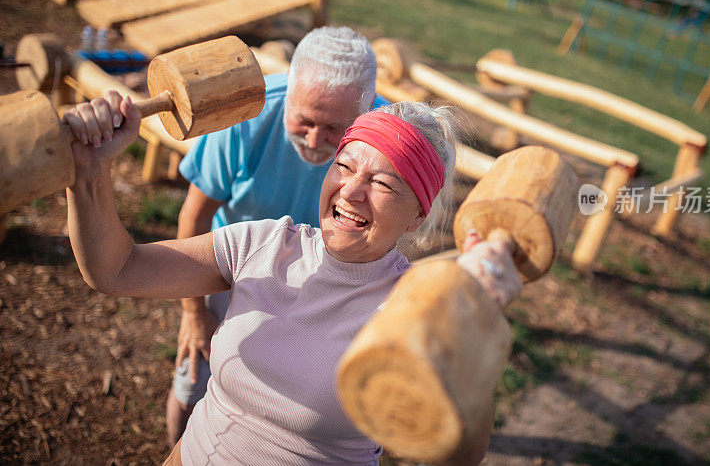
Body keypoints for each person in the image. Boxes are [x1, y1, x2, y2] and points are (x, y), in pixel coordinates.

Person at [62, 92, 522, 465]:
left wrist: (477, 326)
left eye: (383, 184)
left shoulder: (407, 306)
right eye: (344, 166)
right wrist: (89, 172)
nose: (353, 190)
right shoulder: (266, 245)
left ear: (416, 220)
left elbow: (460, 455)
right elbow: (117, 269)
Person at [168, 26, 388, 446]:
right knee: (192, 384)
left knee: (301, 414)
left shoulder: (388, 137)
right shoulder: (247, 118)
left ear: (366, 111)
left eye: (334, 129)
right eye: (304, 120)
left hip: (331, 286)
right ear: (289, 93)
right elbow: (193, 216)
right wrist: (194, 314)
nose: (314, 140)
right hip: (233, 270)